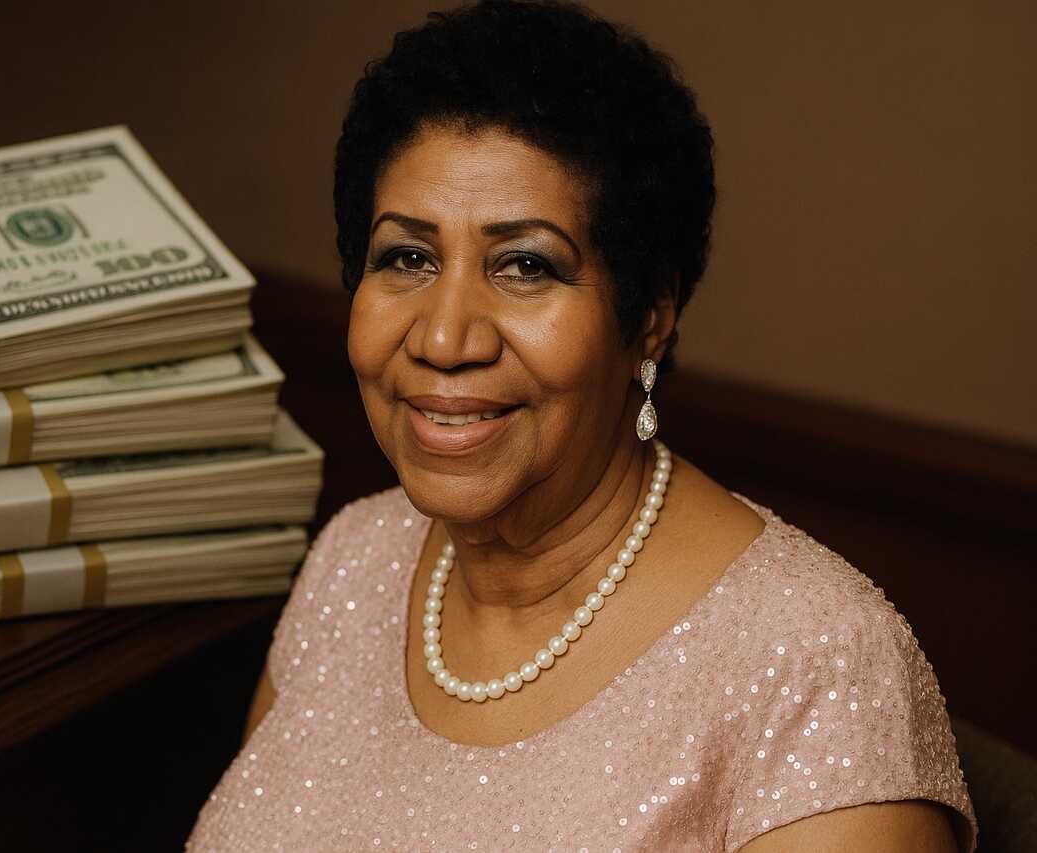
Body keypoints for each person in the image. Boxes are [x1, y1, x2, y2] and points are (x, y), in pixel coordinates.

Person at [188, 1, 977, 850]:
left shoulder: (816, 664)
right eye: (406, 257)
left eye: (526, 265)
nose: (445, 336)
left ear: (649, 317)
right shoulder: (353, 559)